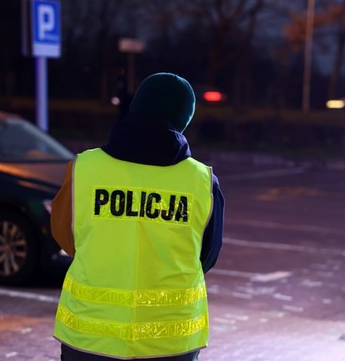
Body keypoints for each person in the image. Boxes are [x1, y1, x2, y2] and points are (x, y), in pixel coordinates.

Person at [50, 72, 224, 360]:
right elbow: (208, 255)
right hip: (170, 342)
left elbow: (64, 235)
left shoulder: (84, 167)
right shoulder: (202, 181)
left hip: (90, 336)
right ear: (184, 119)